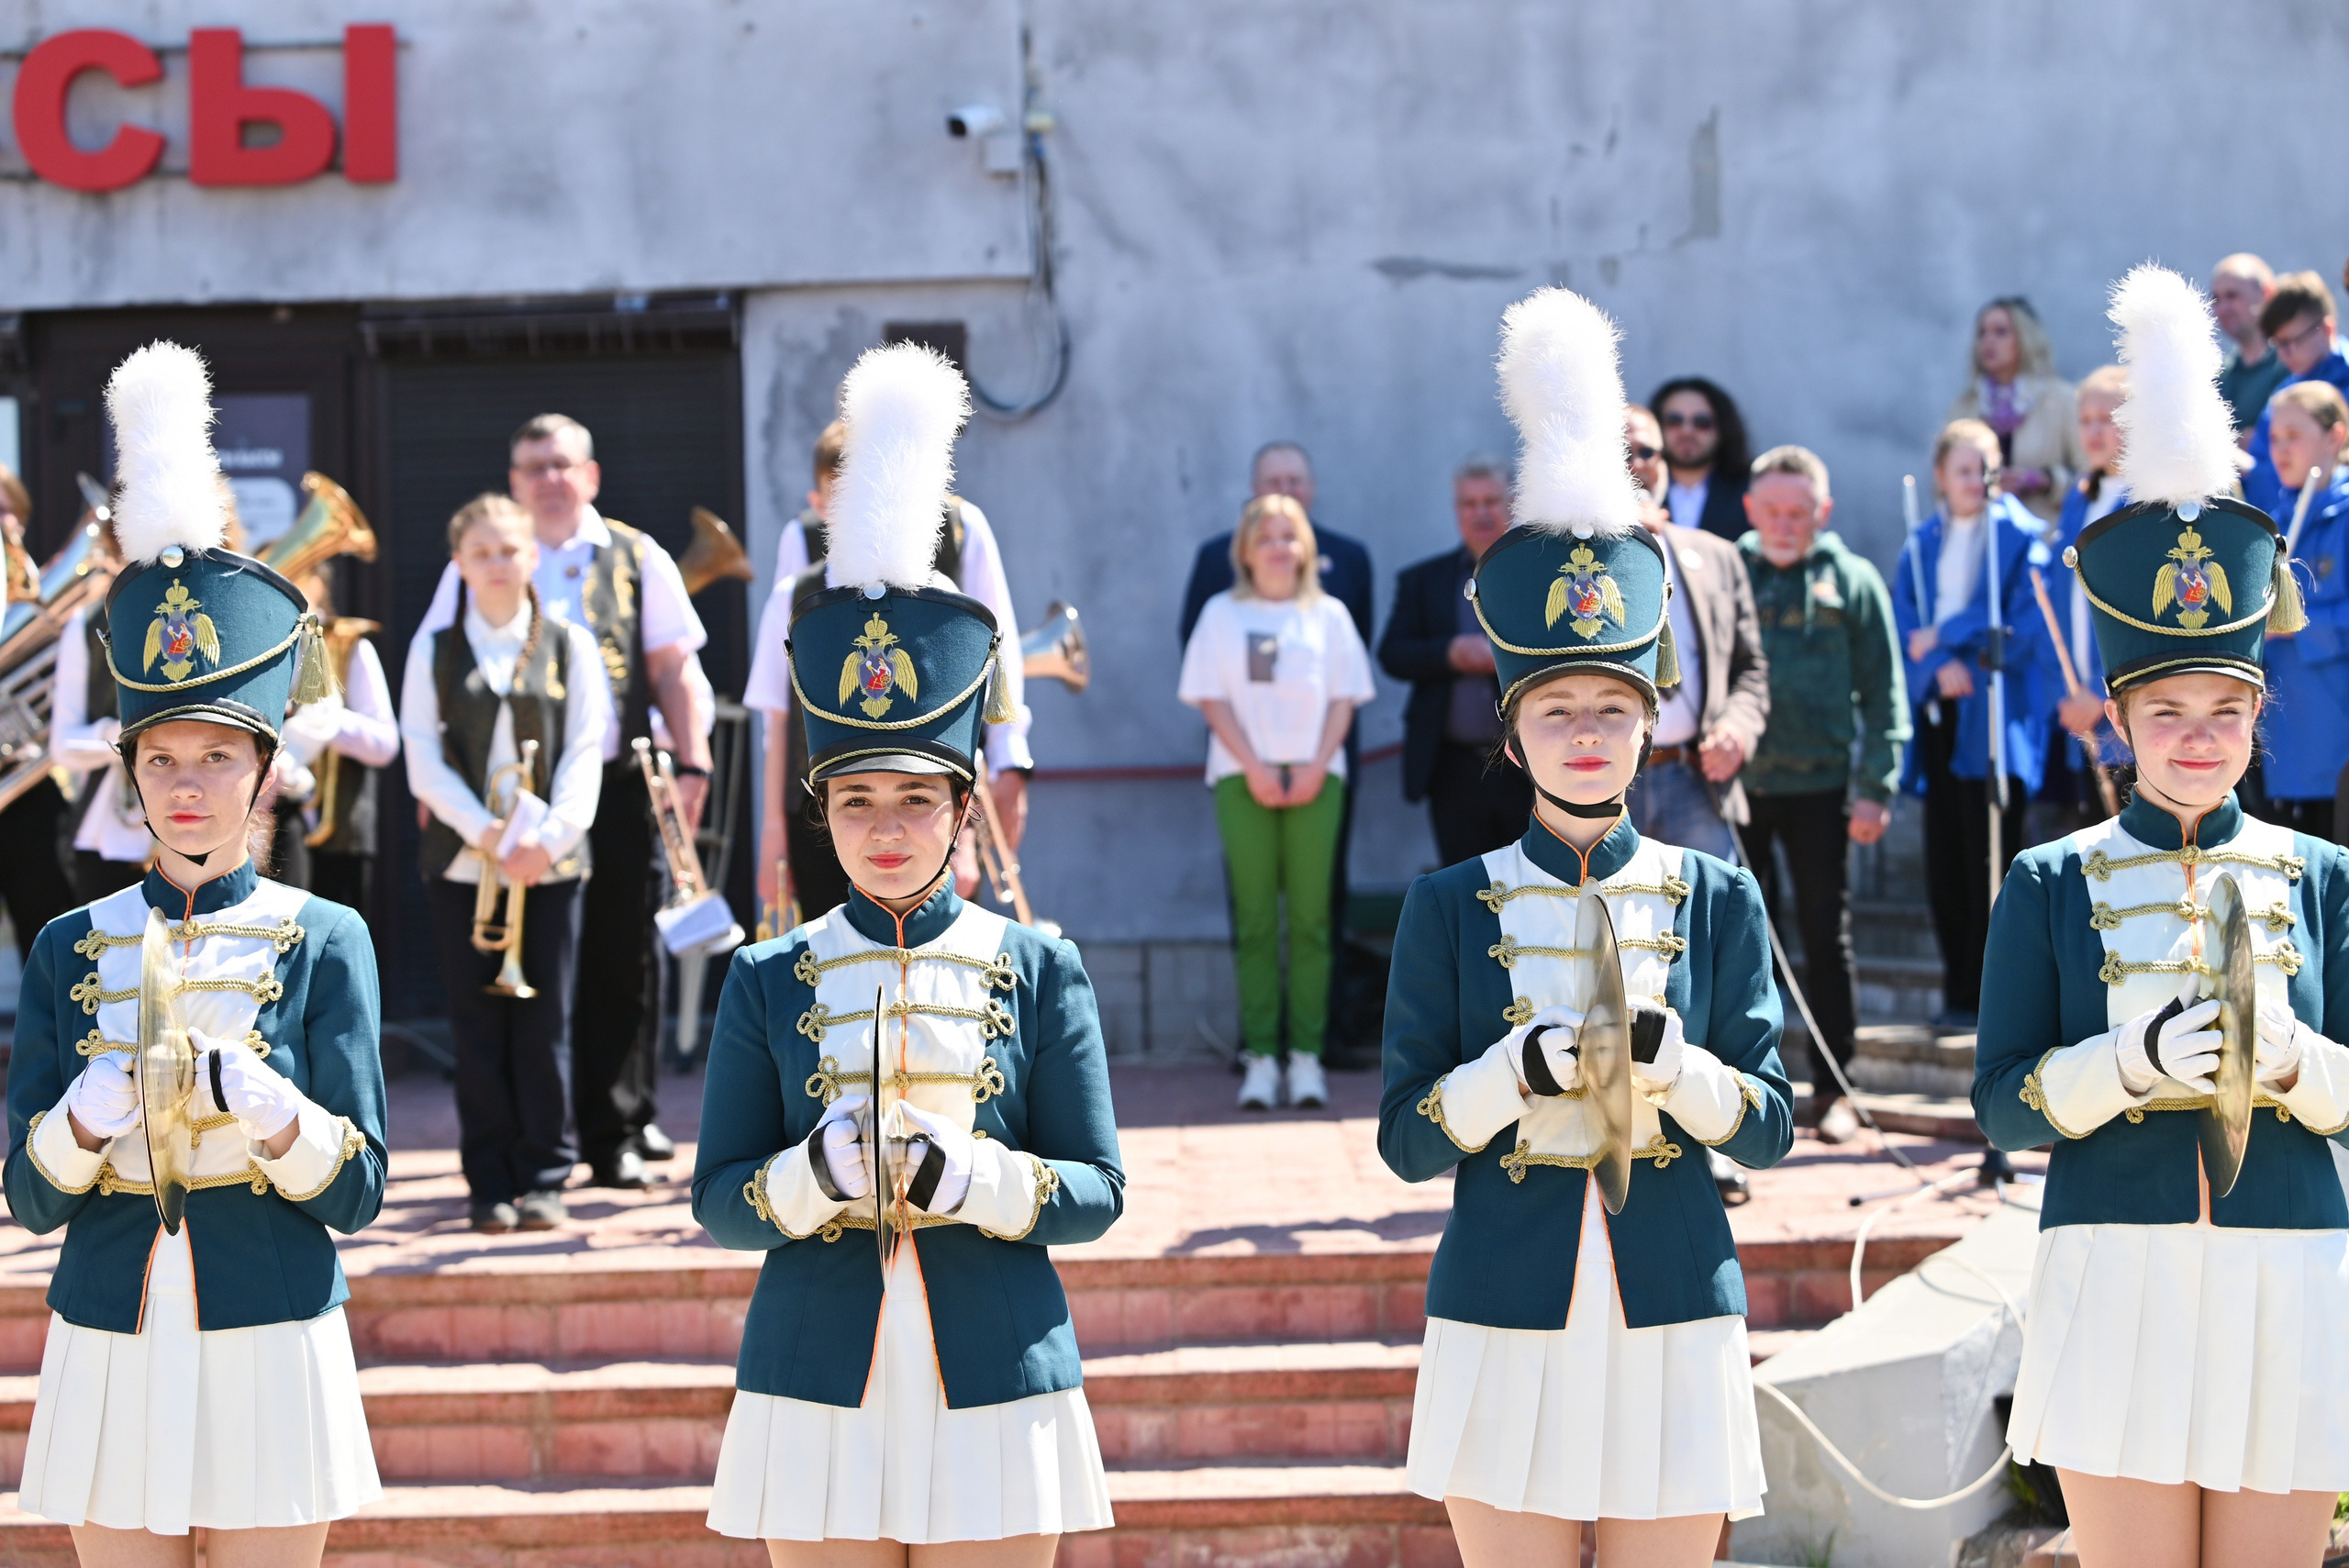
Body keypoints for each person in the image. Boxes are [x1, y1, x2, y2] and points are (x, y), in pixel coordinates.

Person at [694, 342, 1122, 1562]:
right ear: (820, 811)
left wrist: (977, 1179)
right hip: (810, 1384)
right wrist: (812, 1176)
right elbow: (721, 1198)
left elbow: (1096, 1191)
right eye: (858, 801)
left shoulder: (1043, 965)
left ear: (964, 808)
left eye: (918, 801)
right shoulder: (766, 977)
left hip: (1002, 1375)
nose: (886, 830)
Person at [1385, 289, 1791, 1565]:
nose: (1585, 734)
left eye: (1612, 709)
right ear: (1513, 732)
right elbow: (1404, 1140)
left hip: (1677, 1302)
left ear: (1649, 722)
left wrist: (1680, 1067)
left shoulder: (1718, 893)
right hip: (1504, 1309)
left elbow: (1771, 1126)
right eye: (1555, 709)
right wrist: (1512, 1073)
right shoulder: (1448, 907)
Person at [1975, 264, 2349, 1568]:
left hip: (2290, 1269)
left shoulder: (2324, 875)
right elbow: (2004, 1103)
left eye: (2226, 712)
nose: (2199, 741)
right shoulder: (2049, 880)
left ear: (2259, 717)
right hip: (2114, 1268)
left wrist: (2302, 1064)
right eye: (2168, 716)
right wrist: (2126, 1065)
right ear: (2119, 722)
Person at [4, 341, 387, 1559]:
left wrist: (280, 1114)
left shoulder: (326, 935)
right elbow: (22, 1192)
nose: (186, 784)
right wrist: (80, 1116)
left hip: (271, 1327)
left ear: (266, 771)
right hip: (110, 1334)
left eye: (217, 755)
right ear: (127, 775)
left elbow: (361, 1188)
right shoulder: (70, 944)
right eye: (160, 759)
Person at [419, 414, 710, 1189]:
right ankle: (534, 1141)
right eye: (531, 467)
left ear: (590, 476)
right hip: (497, 802)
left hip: (609, 784)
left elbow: (673, 665)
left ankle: (615, 1129)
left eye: (561, 464)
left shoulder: (638, 555)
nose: (548, 478)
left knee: (620, 961)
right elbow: (437, 676)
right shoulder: (479, 557)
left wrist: (694, 761)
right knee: (533, 982)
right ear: (513, 483)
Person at [403, 495, 610, 1233]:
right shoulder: (433, 650)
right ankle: (488, 1182)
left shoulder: (569, 643)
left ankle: (546, 1174)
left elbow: (587, 752)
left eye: (509, 550)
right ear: (459, 563)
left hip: (547, 864)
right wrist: (484, 832)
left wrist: (545, 838)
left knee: (545, 1022)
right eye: (481, 552)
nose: (496, 564)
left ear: (532, 557)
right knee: (476, 1025)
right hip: (465, 863)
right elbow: (422, 759)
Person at [751, 417, 1036, 901]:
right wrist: (773, 830)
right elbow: (776, 716)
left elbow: (964, 719)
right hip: (825, 811)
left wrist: (966, 834)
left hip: (924, 814)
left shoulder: (940, 589)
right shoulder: (795, 594)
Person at [1180, 494, 1376, 1110]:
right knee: (1258, 920)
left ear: (1305, 549)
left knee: (1315, 922)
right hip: (1244, 777)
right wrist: (1257, 765)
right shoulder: (1221, 613)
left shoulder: (1331, 616)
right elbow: (1212, 698)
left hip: (1319, 777)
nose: (1277, 547)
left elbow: (1345, 697)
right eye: (1265, 536)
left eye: (1288, 536)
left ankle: (1307, 1058)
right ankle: (1262, 1057)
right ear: (1245, 549)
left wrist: (1316, 764)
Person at [1736, 445, 1907, 1144]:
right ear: (1750, 510)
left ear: (1822, 512)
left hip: (1822, 785)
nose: (1783, 524)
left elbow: (1885, 691)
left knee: (1823, 936)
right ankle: (1747, 1087)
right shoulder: (1727, 573)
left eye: (1797, 511)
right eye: (1771, 510)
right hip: (1737, 786)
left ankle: (1836, 1086)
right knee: (1741, 937)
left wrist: (1877, 786)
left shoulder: (1853, 581)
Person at [1891, 418, 2055, 1028]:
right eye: (1963, 469)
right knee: (1945, 856)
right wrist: (1938, 663)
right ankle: (1957, 991)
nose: (1975, 481)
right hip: (1942, 710)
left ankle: (1994, 995)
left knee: (1993, 852)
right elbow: (1906, 618)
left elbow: (2019, 622)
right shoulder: (1922, 540)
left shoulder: (2022, 536)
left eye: (1985, 468)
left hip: (1992, 713)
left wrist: (1950, 639)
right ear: (1940, 475)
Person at [1621, 403, 1771, 866]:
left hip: (1697, 779)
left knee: (1702, 931)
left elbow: (1751, 669)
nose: (1637, 462)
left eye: (1649, 451)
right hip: (1609, 785)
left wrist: (1737, 729)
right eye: (1621, 450)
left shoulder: (1717, 556)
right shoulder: (1568, 562)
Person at [1376, 454, 1529, 866]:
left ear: (1512, 503)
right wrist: (1449, 654)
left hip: (1530, 766)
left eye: (1490, 501)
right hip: (1452, 770)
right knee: (1466, 891)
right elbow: (1392, 653)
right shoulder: (1424, 580)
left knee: (1535, 886)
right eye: (1468, 503)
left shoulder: (1537, 575)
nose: (1480, 512)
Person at [2255, 382, 2349, 842]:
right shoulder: (2274, 520)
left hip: (2337, 731)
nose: (2281, 448)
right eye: (2274, 438)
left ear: (2335, 436)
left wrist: (2295, 628)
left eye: (2294, 435)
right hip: (2286, 737)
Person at [2046, 365, 2137, 825]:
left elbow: (2139, 612)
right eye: (2085, 419)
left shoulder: (2147, 500)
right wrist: (2071, 693)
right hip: (2083, 710)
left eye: (2109, 417)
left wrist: (2101, 694)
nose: (2094, 430)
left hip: (2129, 711)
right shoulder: (2079, 499)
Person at [280, 569, 398, 915]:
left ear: (317, 583)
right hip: (282, 827)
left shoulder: (348, 644)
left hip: (342, 833)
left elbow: (384, 743)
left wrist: (320, 717)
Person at [0, 464, 81, 953]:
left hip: (27, 784)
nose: (0, 519)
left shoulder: (42, 585)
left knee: (44, 920)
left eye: (6, 507)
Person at [1946, 296, 2083, 527]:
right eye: (1982, 333)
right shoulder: (1966, 407)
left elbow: (2093, 475)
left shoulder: (2062, 400)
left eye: (2000, 332)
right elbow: (1943, 481)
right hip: (1983, 541)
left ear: (2025, 339)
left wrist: (2046, 481)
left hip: (2046, 540)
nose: (1988, 341)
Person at [2243, 272, 2349, 516]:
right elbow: (2262, 467)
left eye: (2292, 341)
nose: (2284, 354)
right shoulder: (2284, 397)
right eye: (2277, 344)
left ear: (2327, 329)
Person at [1647, 375, 1752, 540]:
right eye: (1674, 421)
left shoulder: (1751, 488)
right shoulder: (1633, 489)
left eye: (1702, 422)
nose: (1687, 431)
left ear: (1722, 429)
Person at [2212, 253, 2290, 435]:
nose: (2223, 308)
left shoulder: (2293, 365)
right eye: (2216, 299)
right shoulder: (2221, 376)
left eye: (2232, 296)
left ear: (2267, 293)